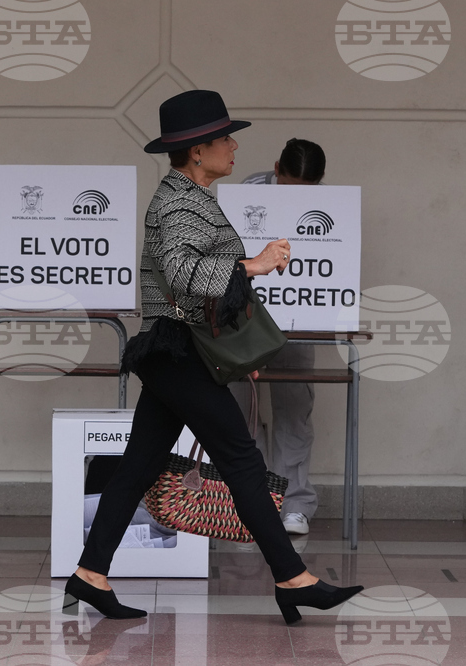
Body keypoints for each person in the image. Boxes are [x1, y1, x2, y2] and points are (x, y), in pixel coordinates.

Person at [62, 91, 361, 625]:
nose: (233, 145)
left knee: (139, 466)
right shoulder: (179, 201)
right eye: (225, 138)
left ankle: (89, 574)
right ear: (197, 150)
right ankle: (293, 579)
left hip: (178, 351)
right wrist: (253, 264)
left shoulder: (192, 195)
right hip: (176, 352)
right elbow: (181, 277)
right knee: (243, 459)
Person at [233, 138, 327, 537]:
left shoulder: (329, 205)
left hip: (297, 320)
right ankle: (244, 504)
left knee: (293, 410)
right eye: (288, 188)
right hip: (246, 319)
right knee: (239, 413)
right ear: (276, 170)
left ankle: (295, 504)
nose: (296, 199)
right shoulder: (244, 196)